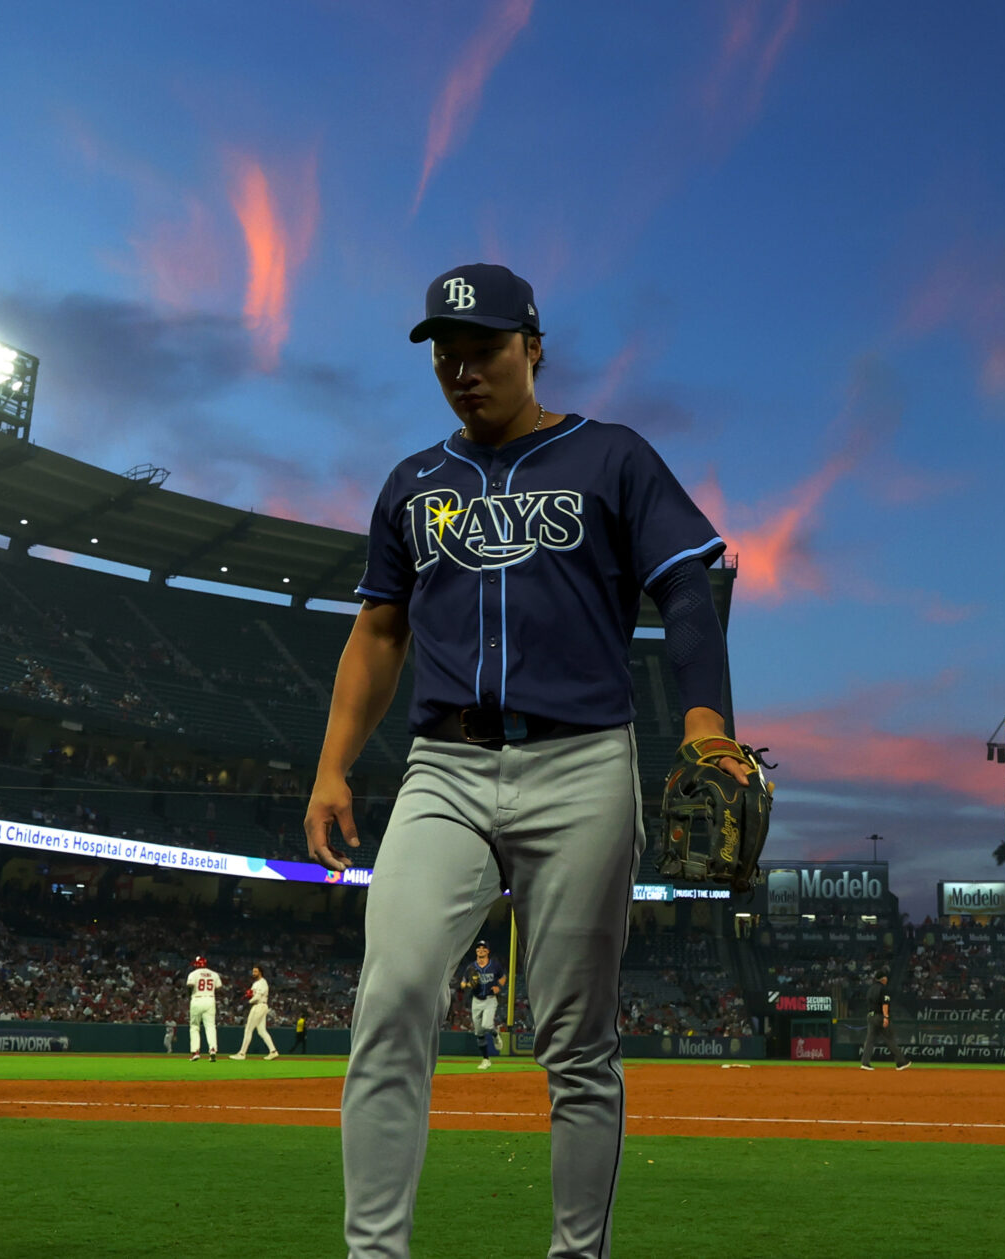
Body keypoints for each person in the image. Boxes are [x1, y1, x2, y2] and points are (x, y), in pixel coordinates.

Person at [308, 263, 742, 1259]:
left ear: (532, 347)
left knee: (576, 1042)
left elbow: (687, 591)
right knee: (390, 1002)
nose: (464, 372)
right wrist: (332, 768)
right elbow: (379, 632)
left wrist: (706, 725)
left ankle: (574, 1253)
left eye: (485, 350)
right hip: (443, 773)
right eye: (447, 357)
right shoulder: (412, 484)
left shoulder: (612, 457)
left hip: (581, 765)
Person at [460, 941, 505, 1068]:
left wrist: (499, 986)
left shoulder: (494, 965)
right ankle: (486, 1060)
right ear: (476, 951)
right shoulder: (471, 967)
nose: (481, 950)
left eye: (484, 948)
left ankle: (495, 1034)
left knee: (486, 1025)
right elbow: (463, 983)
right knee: (479, 1032)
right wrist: (469, 984)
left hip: (490, 999)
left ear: (487, 951)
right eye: (479, 948)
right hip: (476, 1001)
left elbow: (503, 977)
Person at [856, 980, 908, 1071]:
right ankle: (901, 1062)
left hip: (871, 1016)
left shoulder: (870, 989)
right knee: (889, 1039)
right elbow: (885, 1003)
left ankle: (865, 1063)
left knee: (869, 1041)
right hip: (880, 1016)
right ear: (883, 979)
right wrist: (886, 1017)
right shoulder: (883, 988)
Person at [233, 966, 278, 1060]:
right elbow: (252, 994)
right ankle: (273, 1051)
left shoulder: (262, 982)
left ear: (260, 972)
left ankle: (242, 1054)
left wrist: (247, 1003)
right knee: (262, 1031)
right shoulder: (256, 983)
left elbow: (257, 997)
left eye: (256, 971)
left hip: (259, 1005)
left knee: (248, 1029)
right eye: (253, 971)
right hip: (260, 1006)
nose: (253, 973)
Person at [186, 955, 221, 1061]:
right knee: (210, 1026)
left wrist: (190, 997)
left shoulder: (193, 974)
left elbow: (189, 986)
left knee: (195, 1027)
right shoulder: (214, 974)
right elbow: (218, 987)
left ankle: (195, 1052)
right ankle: (213, 1050)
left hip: (197, 999)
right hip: (210, 999)